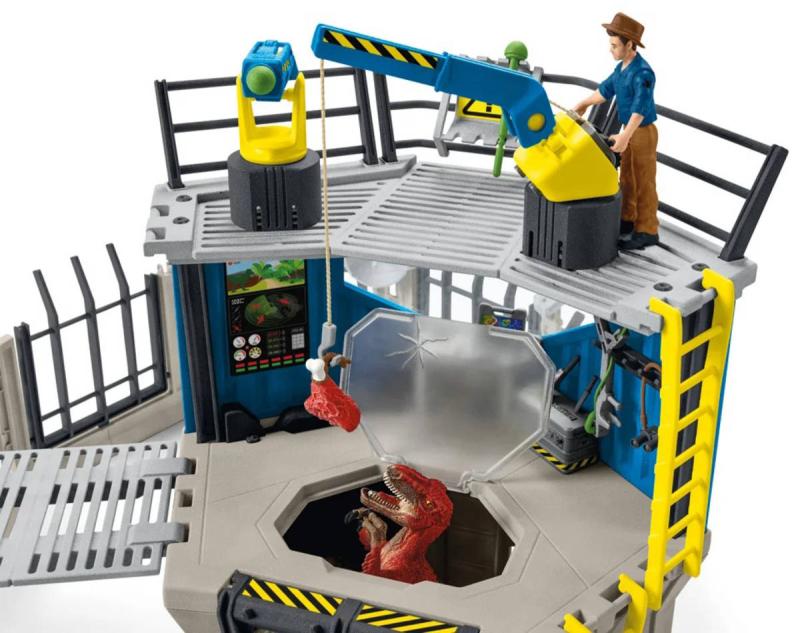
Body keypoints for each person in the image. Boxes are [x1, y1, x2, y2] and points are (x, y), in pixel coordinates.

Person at [573, 13, 659, 250]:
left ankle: (647, 229)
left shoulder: (643, 73)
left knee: (644, 181)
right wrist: (584, 103)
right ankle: (627, 220)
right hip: (628, 131)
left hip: (641, 131)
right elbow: (605, 90)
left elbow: (640, 109)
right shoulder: (621, 69)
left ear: (629, 45)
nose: (610, 50)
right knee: (627, 178)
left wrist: (625, 136)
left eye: (614, 45)